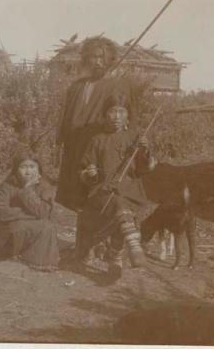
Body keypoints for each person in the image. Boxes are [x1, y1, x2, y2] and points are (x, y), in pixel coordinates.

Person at [56, 36, 137, 261]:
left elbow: (122, 116)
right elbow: (66, 118)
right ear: (86, 60)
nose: (97, 62)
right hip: (74, 149)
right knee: (79, 200)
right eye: (92, 57)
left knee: (100, 196)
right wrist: (60, 142)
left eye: (102, 57)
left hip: (99, 150)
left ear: (110, 59)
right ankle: (85, 248)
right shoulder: (77, 86)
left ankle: (103, 246)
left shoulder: (115, 85)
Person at [79, 93, 156, 276]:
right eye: (112, 112)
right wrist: (90, 173)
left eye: (122, 112)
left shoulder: (135, 138)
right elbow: (85, 170)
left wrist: (144, 151)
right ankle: (129, 248)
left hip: (131, 190)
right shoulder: (97, 140)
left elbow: (144, 170)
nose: (117, 117)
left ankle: (116, 256)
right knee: (120, 205)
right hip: (103, 191)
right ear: (105, 114)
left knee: (122, 207)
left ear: (128, 116)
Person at [0, 149, 59, 271]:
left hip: (32, 225)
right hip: (10, 228)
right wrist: (30, 215)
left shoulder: (44, 186)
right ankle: (13, 254)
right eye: (23, 167)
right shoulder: (7, 185)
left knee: (47, 227)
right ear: (16, 169)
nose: (28, 171)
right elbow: (2, 213)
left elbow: (45, 213)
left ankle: (37, 261)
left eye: (32, 167)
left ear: (38, 169)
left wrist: (27, 190)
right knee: (18, 226)